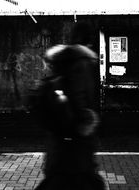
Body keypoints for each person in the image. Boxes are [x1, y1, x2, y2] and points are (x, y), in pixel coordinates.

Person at [35, 23, 105, 190]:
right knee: (81, 179)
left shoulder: (62, 61)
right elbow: (78, 94)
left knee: (60, 177)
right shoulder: (81, 62)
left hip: (59, 140)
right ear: (88, 42)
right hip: (75, 140)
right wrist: (85, 120)